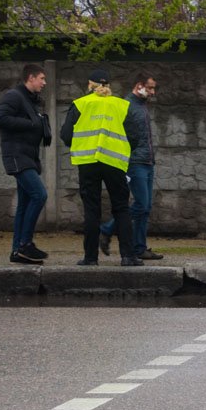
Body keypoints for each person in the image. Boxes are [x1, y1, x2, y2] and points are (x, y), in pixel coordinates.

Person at [61, 70, 139, 266]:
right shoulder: (121, 105)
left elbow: (66, 135)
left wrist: (83, 145)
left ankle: (90, 258)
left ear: (90, 85)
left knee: (91, 209)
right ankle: (128, 257)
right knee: (121, 208)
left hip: (88, 163)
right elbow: (135, 136)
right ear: (108, 85)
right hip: (114, 163)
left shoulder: (80, 104)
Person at [0, 64, 53, 265]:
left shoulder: (29, 100)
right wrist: (31, 124)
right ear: (31, 78)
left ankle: (17, 251)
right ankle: (25, 244)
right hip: (18, 156)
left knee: (25, 203)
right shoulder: (14, 96)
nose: (44, 83)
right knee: (39, 195)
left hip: (28, 157)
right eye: (42, 78)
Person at [98, 73, 161, 261]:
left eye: (153, 88)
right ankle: (106, 230)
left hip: (147, 161)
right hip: (134, 162)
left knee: (145, 207)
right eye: (149, 88)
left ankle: (139, 248)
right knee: (141, 204)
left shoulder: (142, 106)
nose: (152, 92)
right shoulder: (126, 106)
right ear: (139, 86)